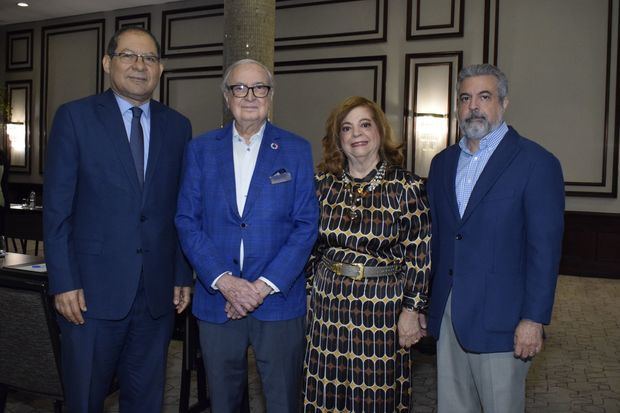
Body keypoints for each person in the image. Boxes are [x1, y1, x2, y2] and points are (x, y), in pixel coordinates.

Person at [43, 27, 192, 412]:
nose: (139, 66)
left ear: (161, 68)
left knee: (146, 401)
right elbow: (57, 210)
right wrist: (63, 282)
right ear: (108, 63)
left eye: (150, 58)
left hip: (156, 297)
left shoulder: (178, 126)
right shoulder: (75, 118)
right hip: (89, 295)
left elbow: (179, 210)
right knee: (86, 398)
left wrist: (180, 275)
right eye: (129, 55)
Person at [175, 58, 318, 413]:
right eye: (240, 87)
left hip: (279, 301)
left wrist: (260, 286)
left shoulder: (297, 149)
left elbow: (306, 225)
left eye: (259, 88)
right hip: (217, 300)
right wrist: (225, 281)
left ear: (270, 96)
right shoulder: (200, 150)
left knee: (284, 401)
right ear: (227, 97)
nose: (250, 95)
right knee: (223, 402)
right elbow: (186, 220)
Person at [426, 64, 565, 413]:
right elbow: (441, 239)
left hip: (503, 322)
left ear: (503, 103)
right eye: (465, 98)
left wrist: (533, 320)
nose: (473, 106)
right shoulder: (442, 163)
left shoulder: (536, 163)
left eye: (484, 97)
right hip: (449, 315)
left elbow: (544, 251)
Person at [303, 96, 431, 412]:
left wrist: (412, 311)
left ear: (378, 130)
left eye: (364, 124)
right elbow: (307, 245)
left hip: (383, 308)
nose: (356, 134)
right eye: (346, 128)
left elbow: (420, 253)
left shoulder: (407, 186)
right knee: (325, 387)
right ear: (338, 138)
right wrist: (307, 293)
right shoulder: (321, 184)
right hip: (327, 303)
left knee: (374, 392)